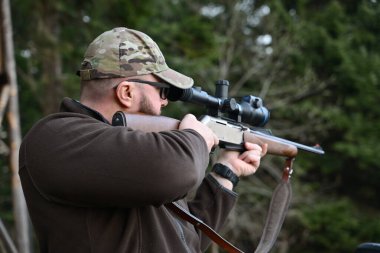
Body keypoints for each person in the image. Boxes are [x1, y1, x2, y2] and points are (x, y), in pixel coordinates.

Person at [19, 27, 267, 253]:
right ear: (127, 92)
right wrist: (197, 136)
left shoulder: (142, 158)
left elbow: (183, 241)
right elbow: (179, 170)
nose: (165, 101)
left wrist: (227, 171)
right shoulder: (55, 137)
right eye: (162, 91)